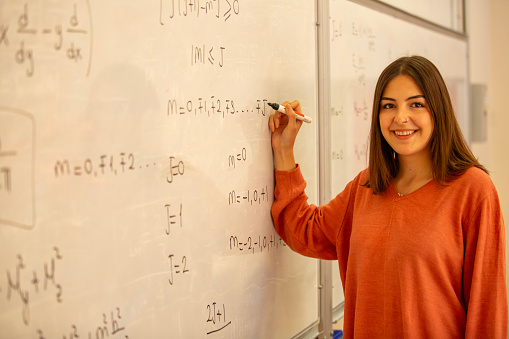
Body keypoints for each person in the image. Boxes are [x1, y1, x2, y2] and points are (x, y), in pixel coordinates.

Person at [268, 56, 507, 338]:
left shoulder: (473, 190)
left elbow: (487, 309)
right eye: (388, 106)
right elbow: (303, 231)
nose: (400, 118)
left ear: (438, 111)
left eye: (416, 104)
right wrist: (284, 151)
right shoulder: (366, 187)